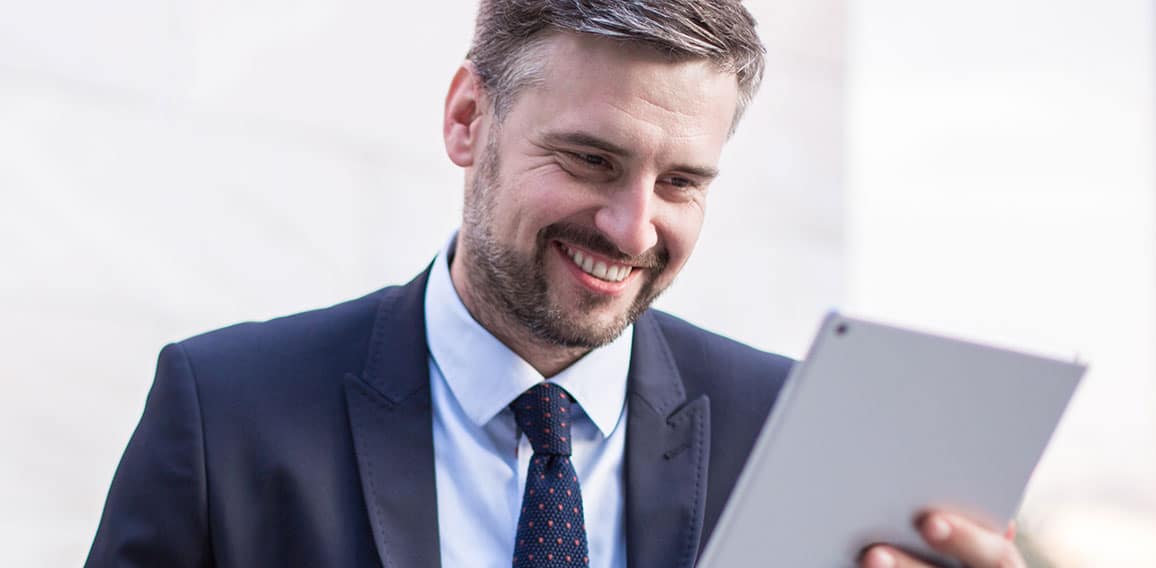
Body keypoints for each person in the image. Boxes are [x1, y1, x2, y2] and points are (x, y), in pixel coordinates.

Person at [85, 1, 1028, 567]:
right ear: (467, 119)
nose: (632, 226)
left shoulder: (798, 433)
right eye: (588, 160)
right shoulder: (227, 411)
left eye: (682, 183)